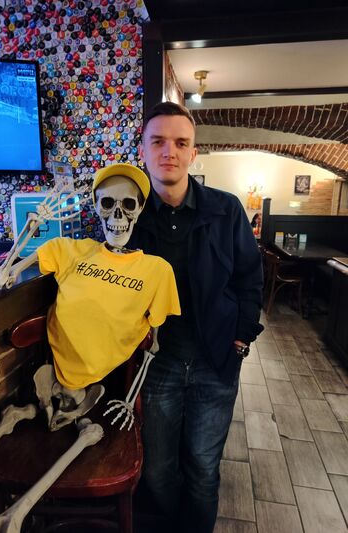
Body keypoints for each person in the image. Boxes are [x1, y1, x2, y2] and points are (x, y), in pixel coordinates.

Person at [128, 102, 264, 533]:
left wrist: (241, 338)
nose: (169, 151)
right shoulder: (127, 215)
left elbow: (250, 277)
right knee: (156, 471)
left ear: (193, 152)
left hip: (215, 360)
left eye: (180, 142)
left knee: (204, 469)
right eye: (158, 142)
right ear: (143, 151)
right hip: (156, 364)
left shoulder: (226, 210)